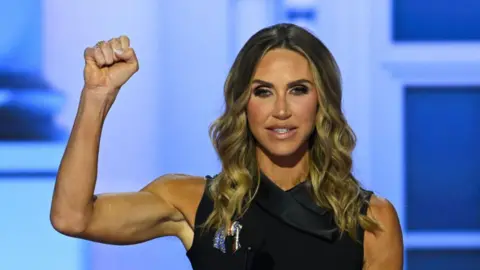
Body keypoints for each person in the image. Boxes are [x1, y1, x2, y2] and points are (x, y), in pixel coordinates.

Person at [50, 23, 403, 270]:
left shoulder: (373, 220)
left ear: (321, 101)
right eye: (263, 91)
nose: (281, 110)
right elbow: (72, 218)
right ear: (242, 103)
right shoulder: (191, 201)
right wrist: (97, 97)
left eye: (298, 90)